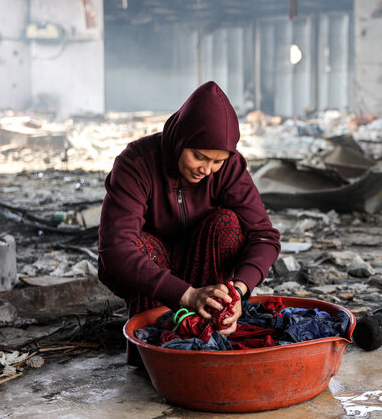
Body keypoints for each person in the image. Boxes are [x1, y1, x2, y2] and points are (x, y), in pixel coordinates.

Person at [97, 81, 280, 365]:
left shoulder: (229, 168)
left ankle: (213, 330)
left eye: (217, 161)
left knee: (227, 223)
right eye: (199, 156)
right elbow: (115, 249)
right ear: (181, 139)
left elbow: (264, 236)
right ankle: (153, 351)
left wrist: (237, 293)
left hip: (202, 269)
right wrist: (187, 295)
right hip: (155, 275)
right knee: (140, 245)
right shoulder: (136, 163)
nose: (207, 170)